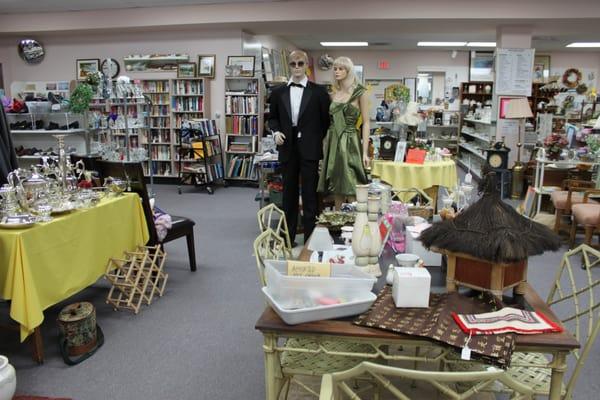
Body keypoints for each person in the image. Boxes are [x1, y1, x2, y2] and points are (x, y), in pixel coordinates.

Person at [268, 50, 331, 244]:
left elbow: (325, 121)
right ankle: (288, 237)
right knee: (289, 194)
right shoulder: (278, 92)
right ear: (289, 65)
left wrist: (312, 137)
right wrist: (275, 132)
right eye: (293, 64)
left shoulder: (319, 92)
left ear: (306, 66)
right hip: (287, 147)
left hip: (310, 147)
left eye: (300, 63)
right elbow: (273, 118)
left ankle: (311, 239)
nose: (297, 67)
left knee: (311, 194)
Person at [317, 56, 369, 208]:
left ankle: (355, 220)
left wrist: (365, 152)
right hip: (333, 141)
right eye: (335, 69)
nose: (337, 71)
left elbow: (366, 123)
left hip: (350, 140)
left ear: (349, 71)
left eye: (341, 68)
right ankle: (338, 219)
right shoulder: (332, 94)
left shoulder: (361, 92)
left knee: (352, 182)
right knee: (336, 182)